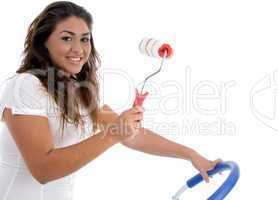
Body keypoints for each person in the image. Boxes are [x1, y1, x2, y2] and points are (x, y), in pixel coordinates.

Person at [0, 1, 221, 199]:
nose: (78, 49)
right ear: (44, 42)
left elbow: (133, 137)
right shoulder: (25, 85)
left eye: (85, 39)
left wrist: (191, 155)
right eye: (66, 38)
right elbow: (44, 169)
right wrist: (114, 132)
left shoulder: (78, 89)